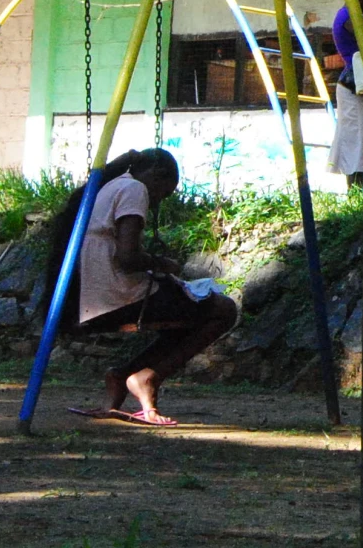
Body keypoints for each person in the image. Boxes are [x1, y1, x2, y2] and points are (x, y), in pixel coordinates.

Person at [41, 148, 238, 426]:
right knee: (222, 309)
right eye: (164, 193)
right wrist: (164, 264)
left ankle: (125, 377)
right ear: (157, 176)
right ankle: (147, 377)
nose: (158, 202)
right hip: (114, 297)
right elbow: (127, 258)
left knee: (187, 316)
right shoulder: (133, 189)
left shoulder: (105, 188)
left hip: (84, 300)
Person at [325, 0, 363, 186]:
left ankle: (358, 191)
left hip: (358, 85)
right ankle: (354, 191)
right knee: (356, 141)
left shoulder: (351, 14)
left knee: (361, 140)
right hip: (353, 86)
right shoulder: (349, 17)